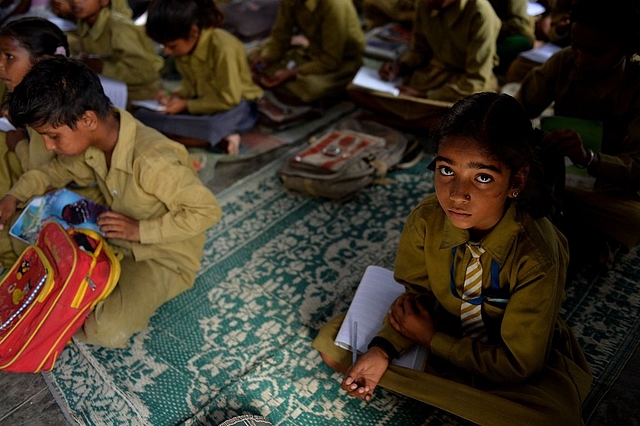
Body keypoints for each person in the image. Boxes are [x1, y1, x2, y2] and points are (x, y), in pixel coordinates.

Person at [313, 92, 592, 425]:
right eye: (446, 170)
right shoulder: (426, 220)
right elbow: (415, 297)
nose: (457, 194)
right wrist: (383, 349)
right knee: (333, 347)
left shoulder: (536, 257)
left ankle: (450, 391)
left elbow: (520, 364)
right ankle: (459, 395)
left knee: (551, 418)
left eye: (483, 177)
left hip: (503, 350)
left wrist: (432, 340)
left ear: (516, 180)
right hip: (442, 323)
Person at [0, 57, 222, 348]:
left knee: (104, 329)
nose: (50, 146)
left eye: (53, 136)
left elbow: (207, 211)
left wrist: (141, 230)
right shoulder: (94, 142)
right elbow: (51, 172)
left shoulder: (152, 161)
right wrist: (13, 195)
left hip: (160, 255)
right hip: (111, 230)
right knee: (19, 233)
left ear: (88, 120)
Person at [516, 0, 640, 272]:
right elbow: (516, 111)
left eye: (596, 52)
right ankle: (581, 234)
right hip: (558, 179)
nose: (582, 59)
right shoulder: (563, 63)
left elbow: (637, 169)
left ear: (628, 48)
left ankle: (565, 227)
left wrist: (589, 158)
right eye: (576, 46)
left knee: (635, 218)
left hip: (609, 190)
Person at [0, 17, 104, 267]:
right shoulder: (35, 103)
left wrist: (19, 145)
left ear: (44, 63)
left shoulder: (59, 114)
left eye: (9, 57)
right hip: (41, 179)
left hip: (71, 199)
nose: (0, 65)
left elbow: (42, 170)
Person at [136, 0, 263, 154]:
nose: (168, 52)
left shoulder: (223, 48)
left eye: (172, 46)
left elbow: (230, 99)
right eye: (164, 46)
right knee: (142, 117)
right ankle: (216, 139)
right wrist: (173, 95)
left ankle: (219, 137)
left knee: (213, 127)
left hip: (236, 106)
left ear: (193, 33)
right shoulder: (183, 50)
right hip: (203, 104)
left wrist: (186, 105)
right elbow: (191, 85)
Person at [347, 0, 501, 127]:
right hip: (431, 77)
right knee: (355, 91)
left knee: (471, 116)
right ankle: (416, 122)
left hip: (465, 85)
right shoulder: (425, 4)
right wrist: (401, 65)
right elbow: (420, 52)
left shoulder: (479, 13)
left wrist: (426, 96)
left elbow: (477, 78)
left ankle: (394, 121)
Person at [249, 0, 365, 104]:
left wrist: (292, 73)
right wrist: (266, 58)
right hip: (313, 53)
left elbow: (331, 60)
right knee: (251, 55)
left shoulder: (334, 4)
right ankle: (279, 79)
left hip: (342, 61)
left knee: (311, 87)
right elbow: (280, 37)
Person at [71, 0, 163, 108]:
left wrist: (102, 67)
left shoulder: (120, 28)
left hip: (139, 98)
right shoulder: (83, 24)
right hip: (106, 93)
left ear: (104, 1)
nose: (75, 2)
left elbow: (146, 72)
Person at [488, 0, 535, 76]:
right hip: (482, 33)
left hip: (505, 34)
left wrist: (491, 26)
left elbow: (517, 23)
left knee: (523, 43)